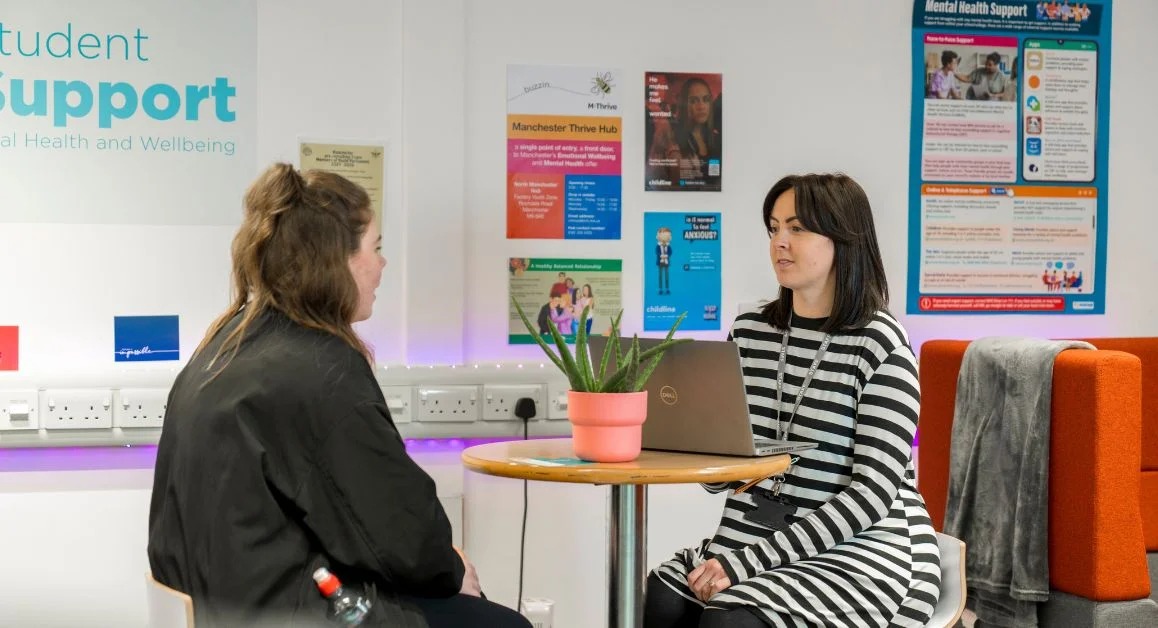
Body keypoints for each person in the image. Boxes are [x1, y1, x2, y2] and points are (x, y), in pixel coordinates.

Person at [147, 163, 531, 628]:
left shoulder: (225, 346)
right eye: (377, 248)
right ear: (337, 260)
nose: (383, 264)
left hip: (227, 605)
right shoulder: (320, 370)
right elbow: (404, 538)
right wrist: (453, 569)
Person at [644, 174, 941, 627]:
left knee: (729, 620)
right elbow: (724, 471)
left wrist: (743, 566)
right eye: (774, 227)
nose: (779, 242)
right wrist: (704, 447)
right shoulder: (748, 333)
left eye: (798, 228)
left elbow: (872, 495)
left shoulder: (880, 346)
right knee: (664, 593)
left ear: (845, 238)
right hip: (751, 534)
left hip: (860, 548)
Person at [648, 77, 722, 189]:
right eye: (693, 101)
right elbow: (654, 182)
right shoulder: (671, 139)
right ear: (684, 104)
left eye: (706, 99)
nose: (701, 107)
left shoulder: (717, 139)